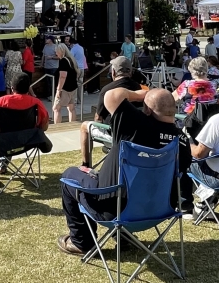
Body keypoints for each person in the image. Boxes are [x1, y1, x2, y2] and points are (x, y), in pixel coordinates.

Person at [57, 86, 182, 257]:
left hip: (115, 210)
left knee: (70, 175)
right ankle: (125, 236)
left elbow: (112, 95)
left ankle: (82, 242)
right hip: (159, 209)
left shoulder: (135, 124)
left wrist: (140, 94)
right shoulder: (180, 140)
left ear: (146, 108)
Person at [79, 56, 141, 167]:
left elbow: (98, 117)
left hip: (114, 134)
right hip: (136, 134)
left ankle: (86, 165)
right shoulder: (137, 87)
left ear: (113, 72)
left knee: (84, 127)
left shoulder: (108, 89)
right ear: (130, 71)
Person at [53, 43, 80, 123]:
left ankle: (57, 127)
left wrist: (59, 89)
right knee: (71, 108)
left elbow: (62, 76)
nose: (56, 53)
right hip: (73, 87)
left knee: (56, 108)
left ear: (61, 51)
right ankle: (72, 126)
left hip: (64, 88)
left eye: (57, 51)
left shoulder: (63, 61)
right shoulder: (71, 59)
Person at [42, 35, 60, 100]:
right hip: (46, 67)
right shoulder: (45, 46)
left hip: (54, 67)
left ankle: (53, 95)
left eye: (47, 39)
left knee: (52, 82)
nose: (46, 40)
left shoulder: (55, 47)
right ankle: (48, 95)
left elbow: (59, 57)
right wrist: (42, 63)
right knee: (47, 82)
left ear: (50, 40)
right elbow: (43, 56)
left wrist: (51, 57)